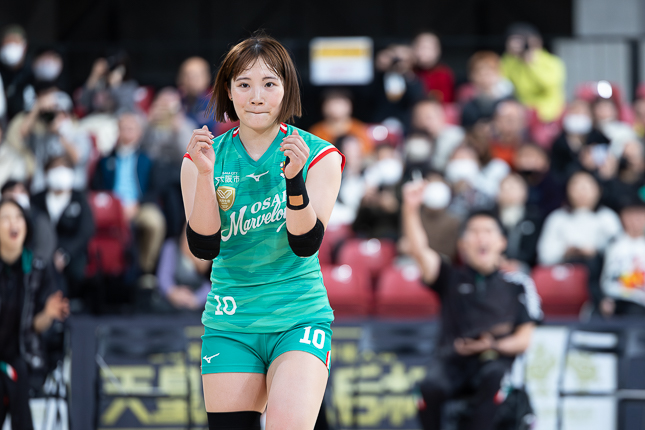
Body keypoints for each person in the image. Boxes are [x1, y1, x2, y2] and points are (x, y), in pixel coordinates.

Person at [180, 33, 344, 430]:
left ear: (287, 89)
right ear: (227, 91)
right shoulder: (201, 158)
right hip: (230, 321)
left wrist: (294, 181)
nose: (257, 97)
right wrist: (204, 176)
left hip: (298, 317)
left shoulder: (319, 155)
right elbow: (204, 247)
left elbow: (305, 243)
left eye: (269, 84)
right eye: (244, 85)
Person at [402, 181, 541, 430]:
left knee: (495, 377)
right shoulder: (450, 277)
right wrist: (411, 208)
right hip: (452, 362)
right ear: (463, 244)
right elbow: (419, 251)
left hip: (494, 360)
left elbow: (524, 340)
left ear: (502, 242)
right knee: (427, 388)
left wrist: (491, 345)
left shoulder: (517, 284)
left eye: (488, 231)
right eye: (474, 232)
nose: (481, 238)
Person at [0, 198, 69, 430]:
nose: (13, 223)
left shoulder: (38, 268)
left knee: (15, 372)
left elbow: (37, 326)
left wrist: (48, 313)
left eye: (18, 217)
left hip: (26, 357)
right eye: (5, 218)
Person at [91, 112, 166, 276]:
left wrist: (137, 205)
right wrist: (114, 207)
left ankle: (145, 270)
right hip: (111, 208)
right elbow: (97, 188)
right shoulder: (105, 160)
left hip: (139, 206)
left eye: (131, 128)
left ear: (139, 133)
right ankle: (102, 270)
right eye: (123, 128)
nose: (127, 132)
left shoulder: (147, 160)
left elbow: (155, 190)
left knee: (155, 222)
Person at [537, 171, 622, 308]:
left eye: (586, 187)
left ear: (598, 190)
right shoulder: (557, 218)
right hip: (565, 271)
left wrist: (596, 251)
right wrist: (566, 252)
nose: (581, 192)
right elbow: (544, 255)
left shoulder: (608, 218)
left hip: (599, 272)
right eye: (576, 187)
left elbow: (619, 251)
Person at [31, 155, 94, 298]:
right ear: (46, 173)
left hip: (72, 251)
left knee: (75, 271)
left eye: (64, 168)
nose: (60, 173)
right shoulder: (36, 199)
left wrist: (65, 253)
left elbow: (86, 231)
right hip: (42, 250)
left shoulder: (79, 198)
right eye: (55, 168)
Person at [500, 23, 565, 123]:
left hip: (547, 115)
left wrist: (531, 64)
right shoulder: (510, 61)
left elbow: (549, 85)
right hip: (521, 114)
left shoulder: (551, 62)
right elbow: (501, 83)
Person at [600, 194, 645, 317]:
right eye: (630, 215)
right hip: (613, 299)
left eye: (639, 215)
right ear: (622, 217)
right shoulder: (611, 244)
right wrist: (601, 298)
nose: (635, 220)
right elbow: (599, 276)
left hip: (639, 302)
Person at [156, 224, 212, 311]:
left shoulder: (209, 253)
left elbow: (211, 284)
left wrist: (196, 299)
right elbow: (163, 277)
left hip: (197, 307)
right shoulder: (171, 246)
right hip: (169, 304)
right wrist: (173, 292)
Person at [496, 173, 543, 273]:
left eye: (513, 188)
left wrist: (516, 262)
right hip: (495, 264)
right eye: (505, 188)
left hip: (525, 267)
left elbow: (535, 250)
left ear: (525, 192)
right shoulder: (490, 218)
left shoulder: (534, 217)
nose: (509, 192)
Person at [1, 180, 56, 263]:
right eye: (12, 191)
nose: (17, 195)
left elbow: (46, 246)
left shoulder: (38, 218)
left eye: (22, 191)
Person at [460, 51, 514, 129]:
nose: (485, 76)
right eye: (480, 72)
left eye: (489, 71)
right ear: (471, 75)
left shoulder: (509, 100)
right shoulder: (468, 104)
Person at [308, 89, 372, 155]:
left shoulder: (359, 129)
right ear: (324, 107)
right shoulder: (317, 131)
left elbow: (368, 153)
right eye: (332, 103)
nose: (337, 107)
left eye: (341, 103)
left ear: (349, 106)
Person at [411, 98, 465, 172]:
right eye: (419, 118)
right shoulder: (414, 140)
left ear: (441, 116)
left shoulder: (456, 136)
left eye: (428, 118)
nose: (423, 123)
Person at [0, 25, 34, 121]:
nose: (10, 46)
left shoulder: (33, 73)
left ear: (25, 46)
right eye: (7, 42)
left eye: (15, 42)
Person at [177, 56, 219, 132]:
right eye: (187, 76)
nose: (191, 80)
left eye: (196, 76)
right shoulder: (175, 100)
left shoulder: (216, 103)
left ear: (207, 78)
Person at [412, 32, 455, 103]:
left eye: (428, 48)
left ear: (438, 51)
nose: (424, 52)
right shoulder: (410, 71)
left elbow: (444, 101)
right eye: (421, 47)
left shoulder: (443, 74)